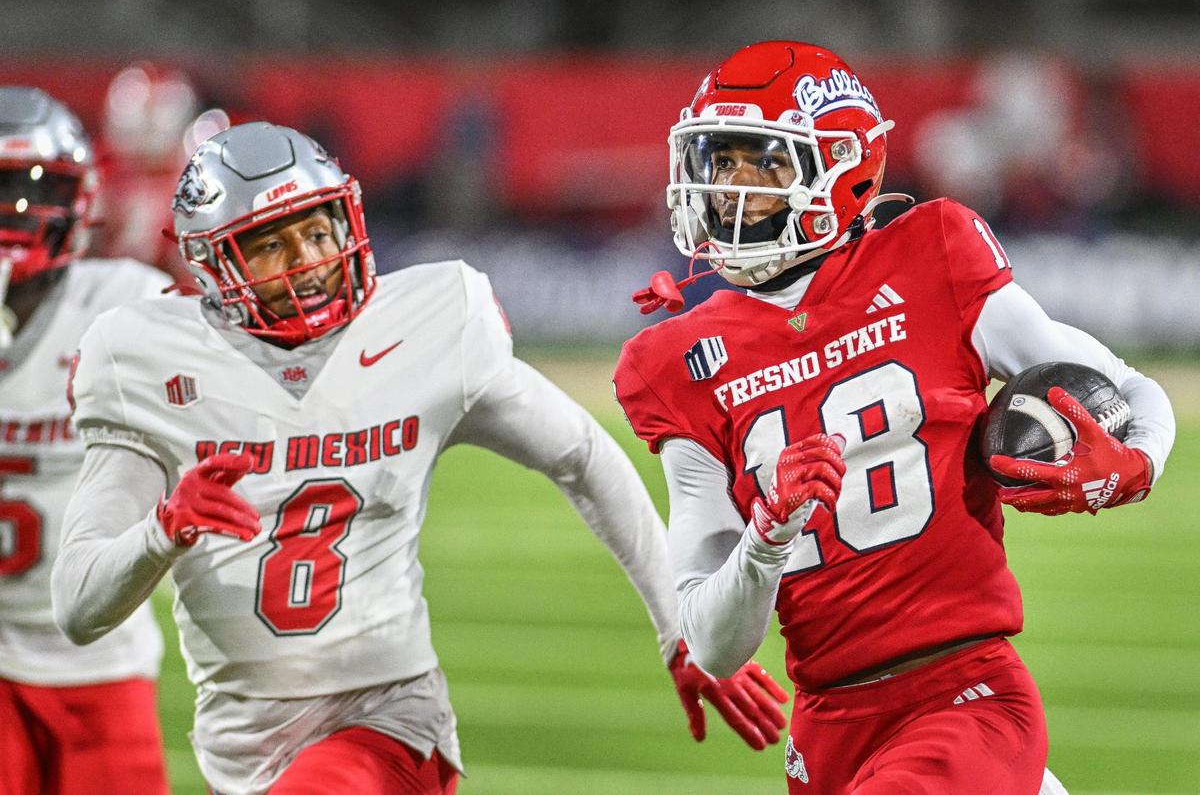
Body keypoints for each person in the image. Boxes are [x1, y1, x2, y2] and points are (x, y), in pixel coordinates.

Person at [49, 121, 789, 795]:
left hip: (387, 725)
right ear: (214, 266)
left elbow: (582, 454)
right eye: (271, 243)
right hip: (240, 756)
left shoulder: (428, 325)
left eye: (315, 228)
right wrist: (161, 530)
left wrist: (678, 632)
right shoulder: (148, 363)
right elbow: (79, 607)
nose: (307, 262)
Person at [614, 41, 1175, 794]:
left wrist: (1132, 466)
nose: (731, 187)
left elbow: (1135, 393)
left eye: (764, 162)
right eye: (722, 161)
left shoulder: (931, 255)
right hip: (826, 729)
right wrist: (767, 533)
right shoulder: (677, 359)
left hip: (963, 691)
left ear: (843, 167)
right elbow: (714, 644)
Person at [0, 87, 171, 794]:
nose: (14, 211)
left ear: (83, 198)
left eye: (33, 188)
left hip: (101, 661)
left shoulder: (130, 306)